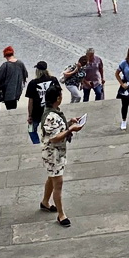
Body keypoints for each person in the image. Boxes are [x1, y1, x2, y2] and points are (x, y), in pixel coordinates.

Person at [39, 83, 82, 227]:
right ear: (58, 98)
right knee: (58, 183)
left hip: (55, 153)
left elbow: (58, 129)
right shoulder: (51, 116)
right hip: (53, 155)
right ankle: (61, 215)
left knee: (52, 179)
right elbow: (54, 137)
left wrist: (70, 122)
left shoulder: (53, 111)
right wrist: (71, 130)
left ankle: (45, 202)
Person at [25, 61, 60, 144]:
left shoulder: (33, 83)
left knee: (31, 129)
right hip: (51, 109)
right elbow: (59, 94)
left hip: (37, 112)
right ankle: (51, 141)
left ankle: (37, 143)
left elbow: (31, 101)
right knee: (52, 127)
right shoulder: (53, 80)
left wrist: (30, 115)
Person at [0, 46, 28, 111]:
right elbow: (25, 75)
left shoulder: (5, 65)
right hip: (17, 91)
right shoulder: (20, 63)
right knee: (14, 106)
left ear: (5, 56)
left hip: (7, 93)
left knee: (9, 108)